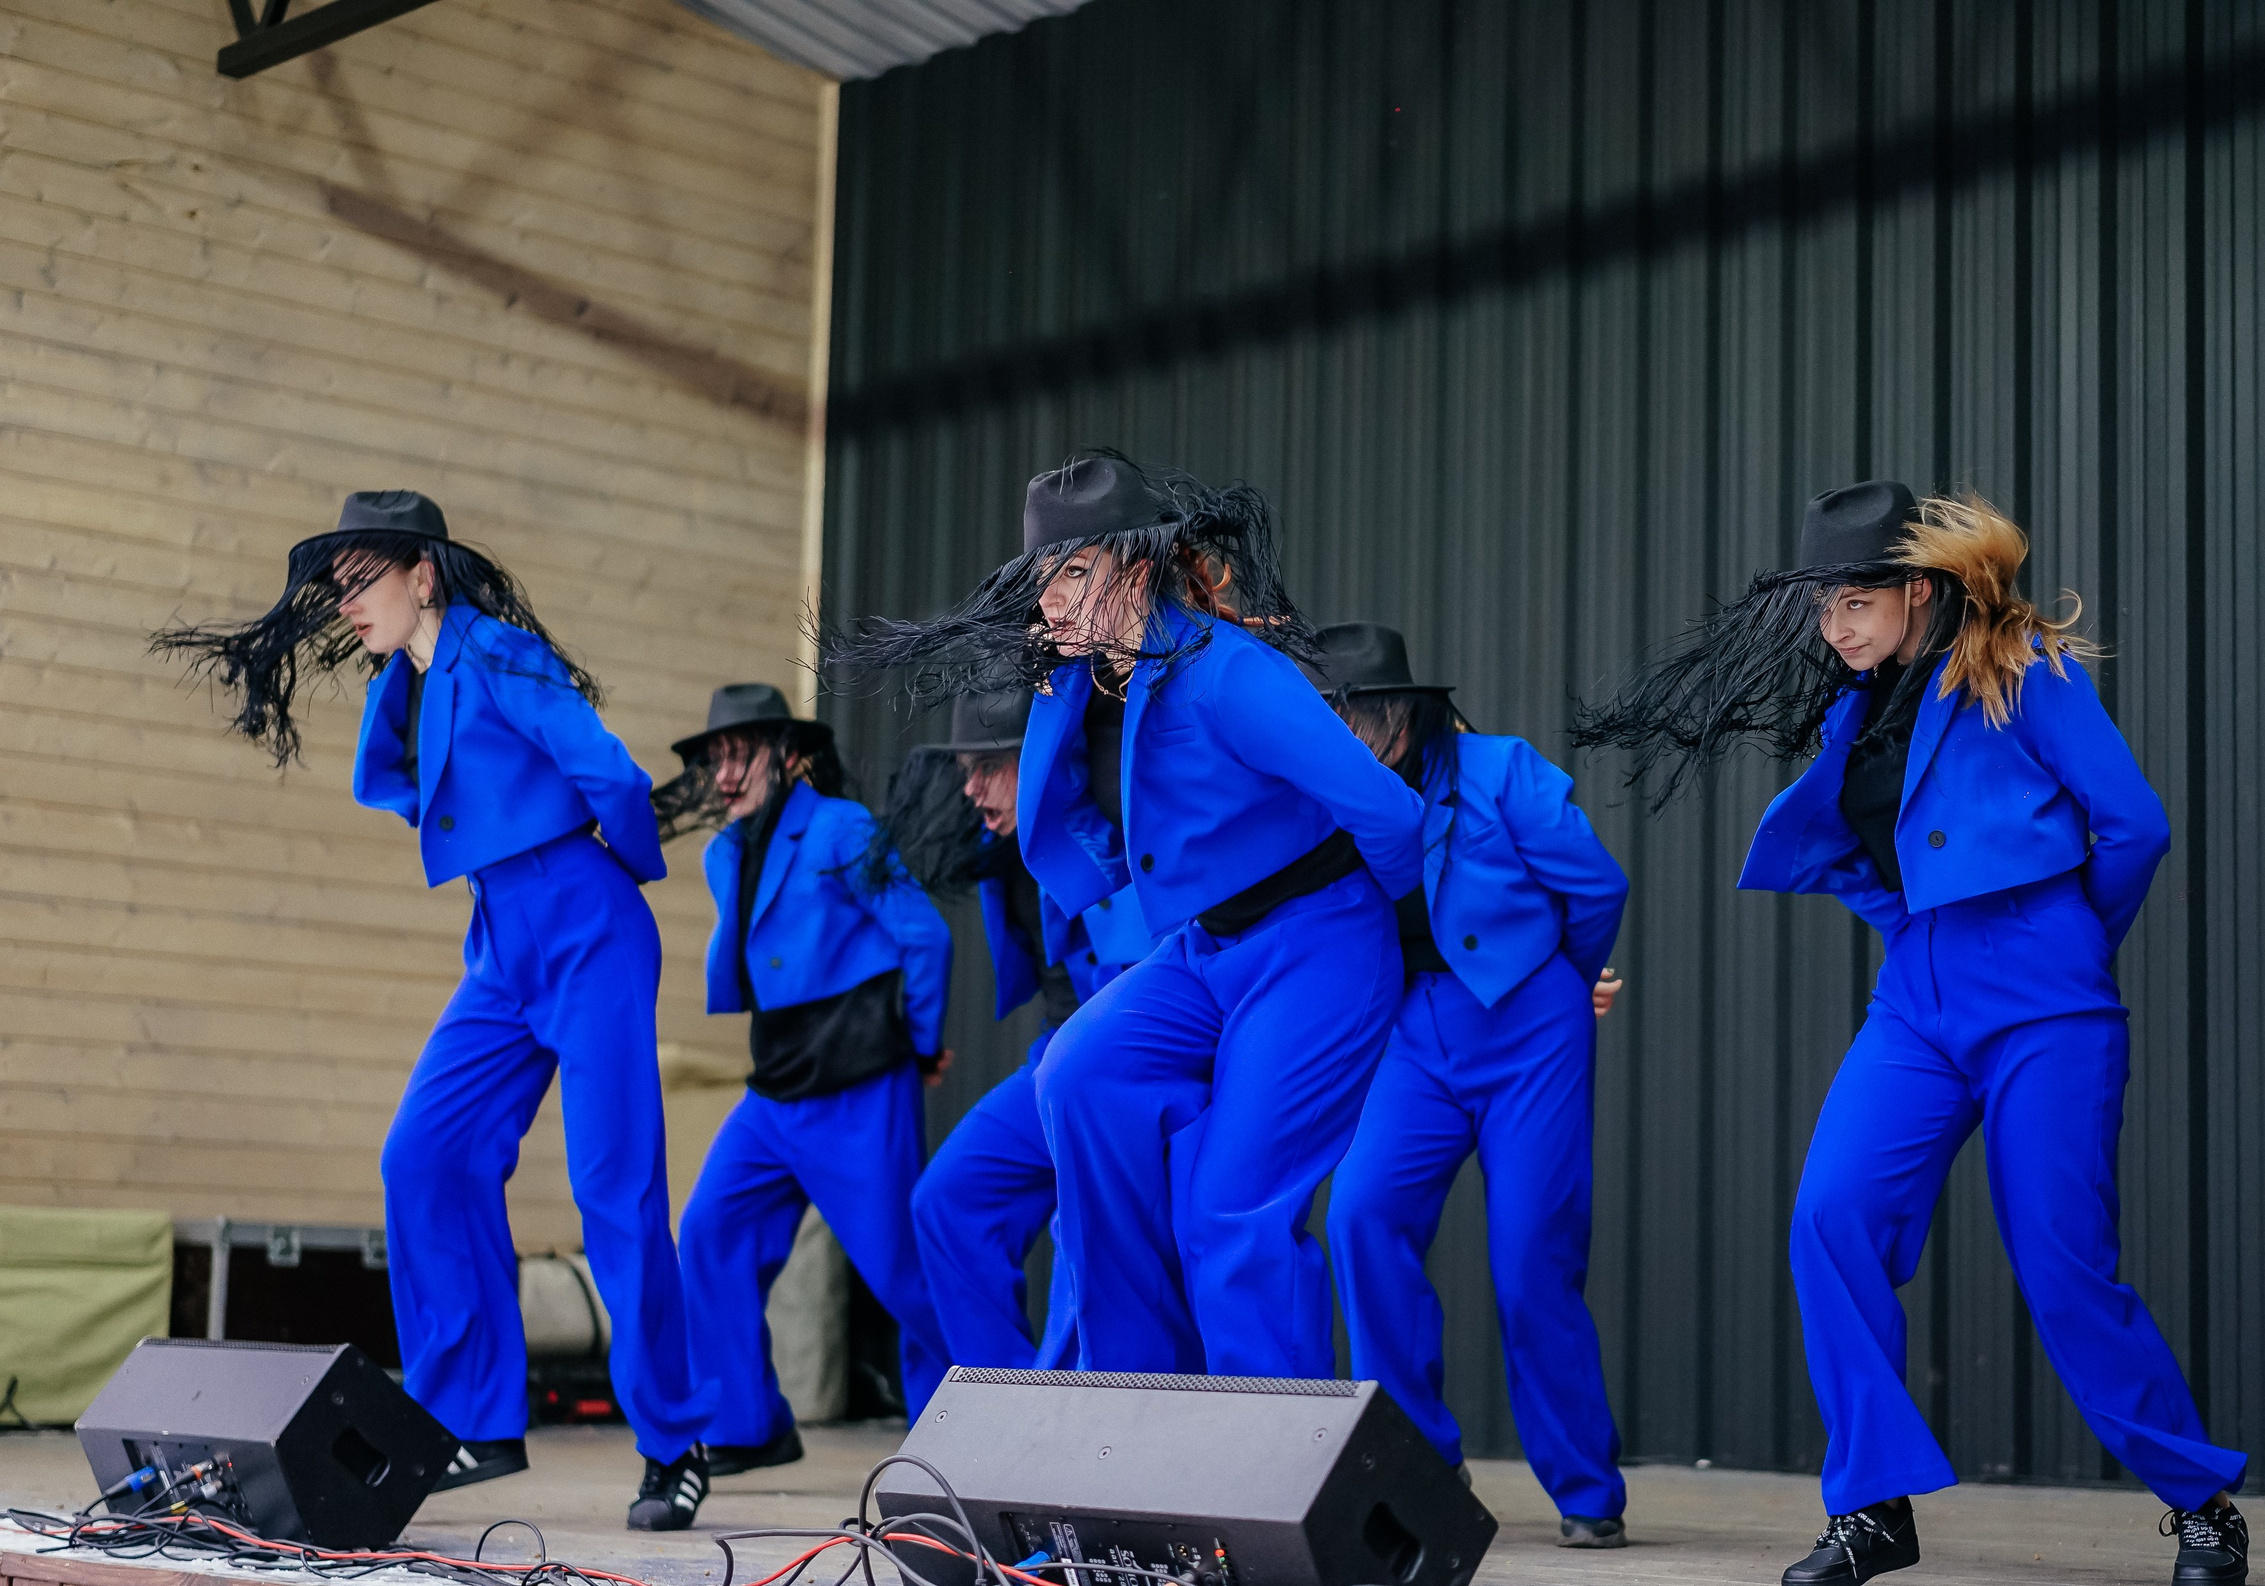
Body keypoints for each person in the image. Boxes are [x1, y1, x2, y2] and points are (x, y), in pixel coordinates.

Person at [1574, 480, 2249, 1586]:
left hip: (2044, 1002)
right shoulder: (1861, 706)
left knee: (2061, 1260)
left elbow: (2133, 823)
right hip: (1916, 1005)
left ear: (1919, 589)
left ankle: (2197, 1501)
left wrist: (2068, 942)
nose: (1834, 625)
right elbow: (1868, 849)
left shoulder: (2019, 671)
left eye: (1854, 600)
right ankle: (1871, 1507)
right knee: (1830, 1217)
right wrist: (1910, 928)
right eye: (1824, 607)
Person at [151, 490, 712, 1530]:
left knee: (613, 1191)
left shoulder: (495, 653)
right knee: (425, 1155)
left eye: (364, 578)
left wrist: (614, 881)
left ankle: (673, 1444)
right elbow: (416, 791)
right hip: (502, 941)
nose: (345, 600)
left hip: (584, 922)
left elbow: (613, 774)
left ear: (425, 576)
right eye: (339, 583)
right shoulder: (406, 682)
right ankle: (470, 1419)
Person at [832, 452, 1423, 1376]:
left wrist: (1398, 933)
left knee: (1230, 1210)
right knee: (1076, 1073)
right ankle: (1126, 1403)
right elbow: (1067, 814)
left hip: (1316, 939)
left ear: (1136, 569)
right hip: (1202, 950)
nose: (1050, 602)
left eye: (1071, 573)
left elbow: (1389, 811)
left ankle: (1265, 1469)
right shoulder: (1083, 681)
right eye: (1042, 581)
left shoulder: (1231, 675)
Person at [1308, 625, 1633, 1550]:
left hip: (1530, 1026)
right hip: (1415, 1035)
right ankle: (1416, 1466)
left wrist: (1567, 982)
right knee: (1361, 1215)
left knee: (1531, 1251)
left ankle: (1585, 1488)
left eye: (1356, 717)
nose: (1344, 734)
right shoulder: (1330, 794)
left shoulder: (1502, 771)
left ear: (1402, 716)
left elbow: (1598, 886)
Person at [655, 684, 955, 1476]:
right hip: (775, 1080)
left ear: (790, 756)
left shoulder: (838, 826)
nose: (724, 772)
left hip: (856, 1079)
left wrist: (917, 1046)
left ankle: (977, 1415)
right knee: (712, 1231)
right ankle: (749, 1425)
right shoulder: (724, 851)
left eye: (741, 752)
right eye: (715, 756)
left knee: (901, 1269)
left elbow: (923, 935)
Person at [878, 690, 1157, 1368]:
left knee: (1084, 1232)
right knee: (947, 1202)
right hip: (1051, 1058)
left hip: (1120, 1073)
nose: (970, 789)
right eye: (965, 770)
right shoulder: (1003, 846)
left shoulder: (1105, 834)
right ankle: (995, 1408)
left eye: (987, 767)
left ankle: (1061, 1427)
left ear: (1038, 762)